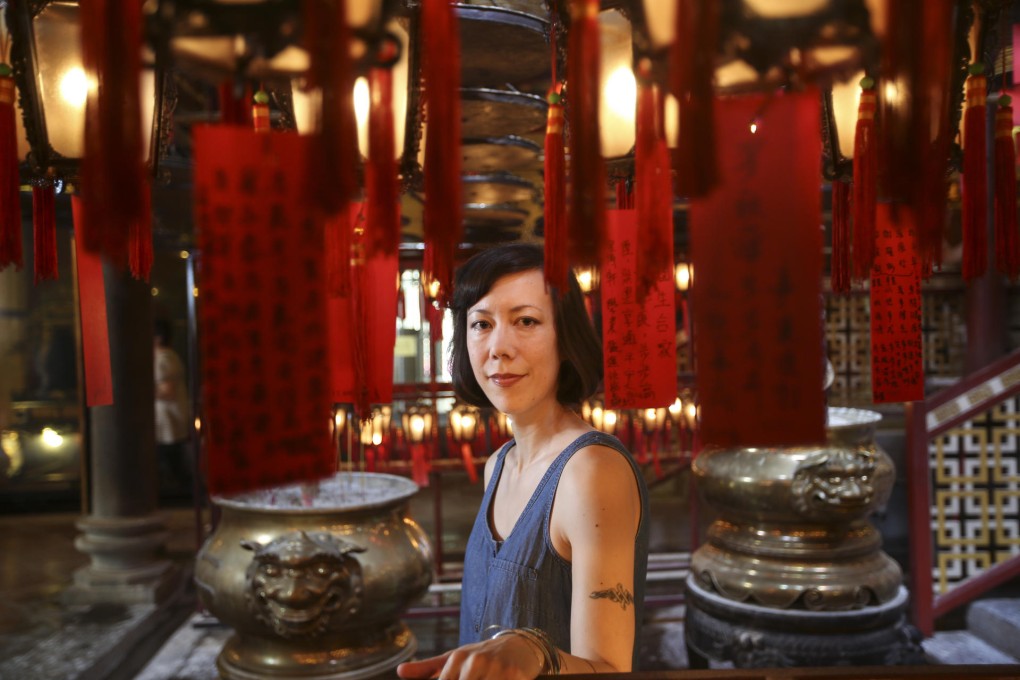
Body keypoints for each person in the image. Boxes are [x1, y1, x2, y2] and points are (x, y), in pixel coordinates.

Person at [397, 243, 649, 679]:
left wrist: (533, 653)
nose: (499, 347)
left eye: (526, 321)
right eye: (481, 324)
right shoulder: (498, 465)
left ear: (565, 338)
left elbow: (609, 668)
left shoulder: (590, 470)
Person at [154, 318, 192, 496]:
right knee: (173, 464)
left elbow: (167, 391)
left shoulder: (164, 359)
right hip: (168, 422)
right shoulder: (168, 357)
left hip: (169, 422)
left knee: (173, 464)